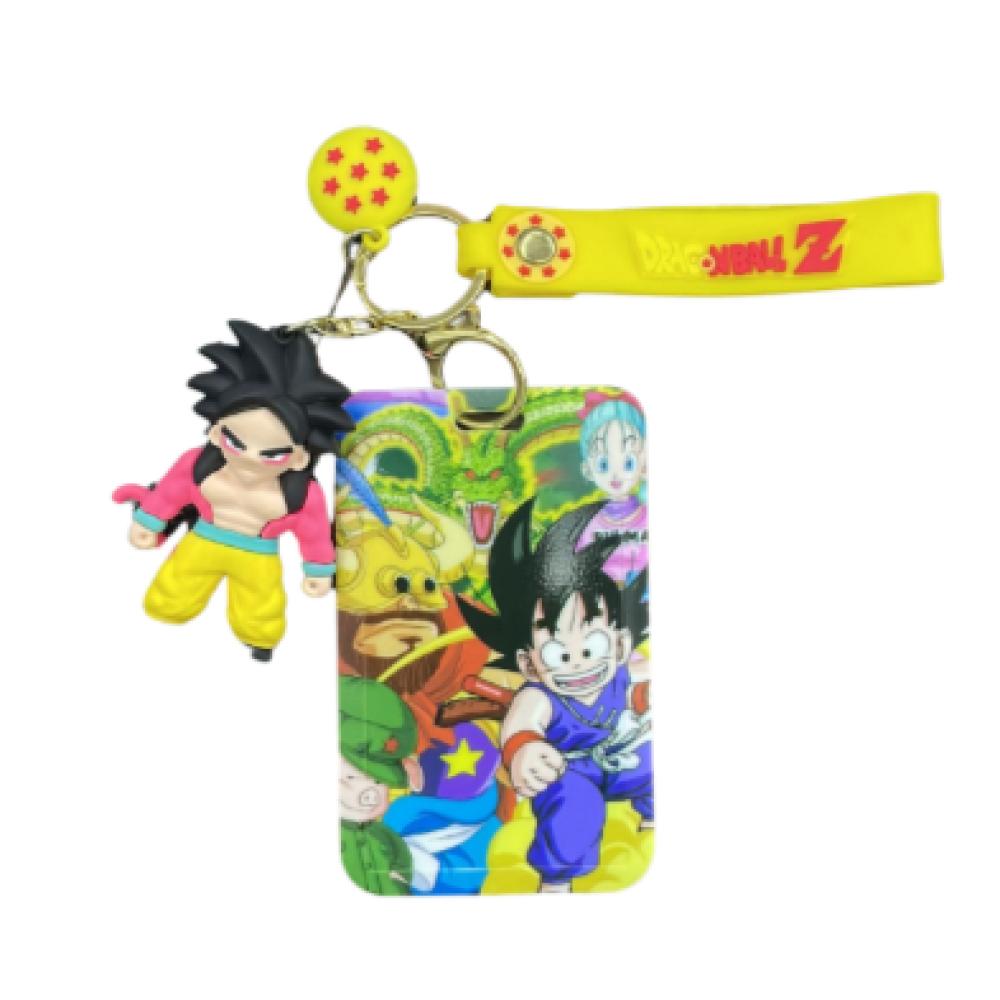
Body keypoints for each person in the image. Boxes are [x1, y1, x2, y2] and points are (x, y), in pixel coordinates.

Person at [113, 321, 351, 659]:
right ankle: (167, 610)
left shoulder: (301, 493)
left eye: (272, 454)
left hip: (258, 558)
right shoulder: (198, 465)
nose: (250, 458)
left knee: (260, 609)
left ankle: (260, 639)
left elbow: (313, 533)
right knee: (172, 592)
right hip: (202, 543)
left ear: (299, 458)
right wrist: (149, 521)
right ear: (215, 432)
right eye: (235, 442)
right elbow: (170, 492)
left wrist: (317, 569)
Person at [458, 500, 651, 892]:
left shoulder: (619, 673)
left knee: (650, 760)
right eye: (558, 654)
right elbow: (521, 726)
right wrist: (524, 750)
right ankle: (556, 880)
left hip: (619, 760)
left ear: (619, 643)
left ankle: (650, 818)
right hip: (567, 773)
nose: (577, 661)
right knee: (576, 808)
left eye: (592, 645)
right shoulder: (540, 697)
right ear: (528, 664)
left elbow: (647, 675)